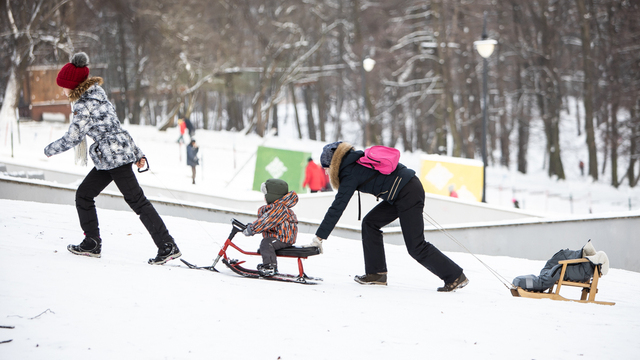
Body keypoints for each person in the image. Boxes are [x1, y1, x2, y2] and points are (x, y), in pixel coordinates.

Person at [44, 52, 181, 265]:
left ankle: (167, 245)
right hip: (110, 157)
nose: (62, 90)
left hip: (113, 157)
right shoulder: (98, 95)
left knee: (137, 201)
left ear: (72, 85)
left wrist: (50, 149)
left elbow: (74, 136)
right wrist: (136, 152)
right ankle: (92, 242)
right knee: (84, 194)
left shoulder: (83, 105)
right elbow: (115, 128)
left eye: (63, 86)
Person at [312, 141, 468, 291]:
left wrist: (319, 237)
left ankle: (454, 276)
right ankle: (376, 274)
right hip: (404, 190)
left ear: (333, 165)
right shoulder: (355, 160)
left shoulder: (349, 173)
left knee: (416, 246)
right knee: (370, 223)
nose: (326, 172)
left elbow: (337, 208)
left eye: (326, 168)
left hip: (407, 192)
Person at [242, 179, 299, 276]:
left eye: (266, 194)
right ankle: (269, 264)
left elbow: (266, 221)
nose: (264, 197)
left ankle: (270, 267)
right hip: (281, 237)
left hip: (283, 238)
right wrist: (252, 226)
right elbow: (265, 221)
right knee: (266, 243)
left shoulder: (279, 209)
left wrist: (252, 229)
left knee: (267, 244)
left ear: (273, 195)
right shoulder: (278, 207)